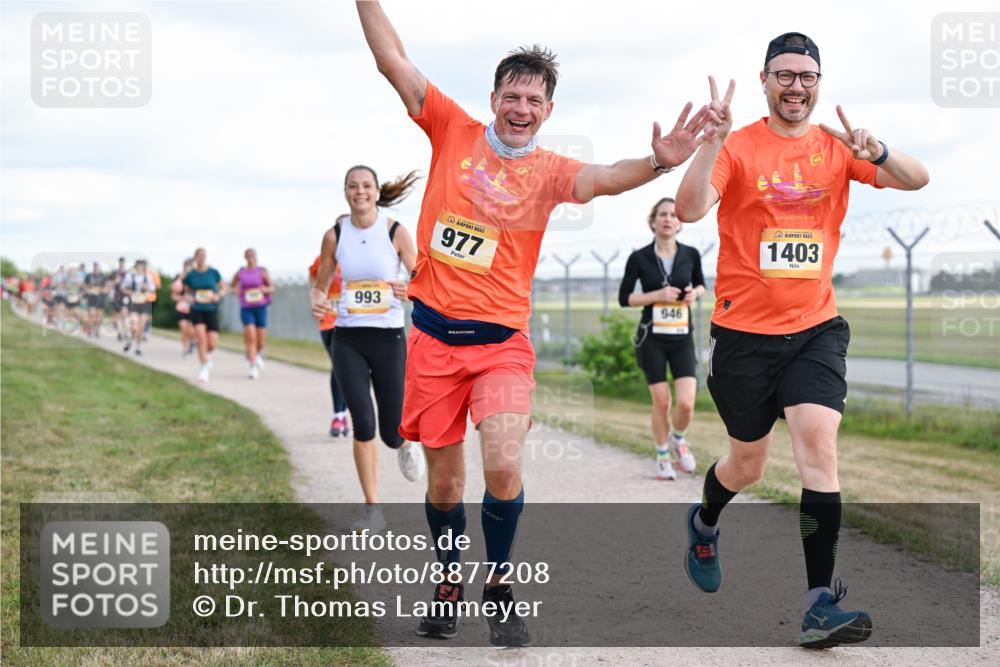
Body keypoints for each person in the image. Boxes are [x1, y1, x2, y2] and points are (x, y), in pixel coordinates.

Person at [349, 0, 719, 647]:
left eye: (535, 100)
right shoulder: (451, 128)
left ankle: (497, 580)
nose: (522, 108)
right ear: (494, 97)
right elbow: (392, 62)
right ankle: (446, 579)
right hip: (433, 340)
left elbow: (604, 178)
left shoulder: (549, 171)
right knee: (444, 482)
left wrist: (659, 162)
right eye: (513, 95)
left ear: (549, 111)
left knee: (501, 462)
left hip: (501, 348)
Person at [674, 33, 929, 648]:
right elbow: (687, 209)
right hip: (742, 337)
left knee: (820, 449)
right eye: (784, 75)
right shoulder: (737, 148)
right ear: (764, 80)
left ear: (819, 82)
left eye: (807, 75)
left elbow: (918, 180)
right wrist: (709, 145)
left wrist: (881, 150)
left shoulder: (839, 149)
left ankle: (820, 603)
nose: (796, 85)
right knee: (748, 465)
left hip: (816, 328)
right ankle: (705, 521)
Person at [312, 167, 427, 533]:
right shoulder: (335, 235)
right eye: (352, 186)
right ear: (345, 192)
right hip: (348, 338)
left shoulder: (394, 231)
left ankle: (405, 443)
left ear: (377, 192)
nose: (359, 192)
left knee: (392, 431)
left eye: (366, 186)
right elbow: (320, 285)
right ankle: (372, 508)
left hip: (389, 339)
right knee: (363, 423)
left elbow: (421, 277)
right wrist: (318, 301)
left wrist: (411, 289)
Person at [619, 196, 706, 481]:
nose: (668, 218)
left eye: (673, 214)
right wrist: (656, 295)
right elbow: (625, 298)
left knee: (686, 403)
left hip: (682, 337)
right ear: (653, 221)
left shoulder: (691, 254)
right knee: (662, 402)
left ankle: (678, 439)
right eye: (663, 214)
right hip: (652, 339)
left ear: (680, 223)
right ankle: (661, 455)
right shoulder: (639, 257)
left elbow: (702, 285)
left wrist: (695, 293)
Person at [309, 234, 350, 438]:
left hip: (354, 321)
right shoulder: (323, 259)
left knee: (351, 369)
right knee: (339, 365)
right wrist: (319, 297)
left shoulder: (360, 257)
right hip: (329, 320)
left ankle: (344, 414)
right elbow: (314, 280)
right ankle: (339, 414)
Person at [183, 248, 226, 383]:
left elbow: (223, 288)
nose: (201, 257)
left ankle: (207, 355)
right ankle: (204, 367)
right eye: (199, 255)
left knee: (212, 342)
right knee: (201, 338)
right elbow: (186, 292)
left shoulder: (213, 273)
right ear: (195, 257)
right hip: (197, 309)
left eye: (203, 255)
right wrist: (188, 297)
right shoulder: (191, 275)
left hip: (211, 308)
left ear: (206, 257)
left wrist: (218, 295)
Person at [232, 248, 273, 379]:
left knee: (260, 341)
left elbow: (272, 287)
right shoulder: (241, 272)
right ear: (244, 257)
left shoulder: (262, 271)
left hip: (260, 307)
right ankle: (253, 366)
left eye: (252, 255)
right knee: (250, 336)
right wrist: (237, 291)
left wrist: (265, 289)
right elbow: (233, 286)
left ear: (256, 257)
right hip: (246, 307)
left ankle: (257, 354)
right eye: (248, 255)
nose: (250, 257)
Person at [121, 259, 156, 356]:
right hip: (133, 303)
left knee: (141, 327)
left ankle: (138, 347)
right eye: (139, 265)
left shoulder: (147, 277)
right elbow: (123, 288)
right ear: (136, 266)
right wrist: (129, 292)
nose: (141, 267)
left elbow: (153, 289)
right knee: (135, 326)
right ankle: (130, 341)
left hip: (144, 303)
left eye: (143, 266)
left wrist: (147, 288)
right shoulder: (130, 276)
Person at [172, 258, 196, 357]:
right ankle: (185, 348)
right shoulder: (179, 279)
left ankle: (192, 342)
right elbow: (173, 295)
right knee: (183, 329)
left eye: (191, 265)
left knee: (191, 330)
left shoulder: (197, 279)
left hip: (194, 308)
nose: (189, 267)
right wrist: (183, 297)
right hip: (182, 308)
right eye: (187, 265)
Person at [83, 261, 108, 338]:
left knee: (99, 316)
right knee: (92, 314)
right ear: (93, 268)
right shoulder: (89, 276)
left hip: (100, 298)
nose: (96, 269)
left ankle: (97, 330)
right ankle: (90, 329)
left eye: (97, 267)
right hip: (91, 298)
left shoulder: (103, 277)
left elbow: (106, 287)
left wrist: (103, 290)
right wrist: (87, 290)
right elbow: (84, 285)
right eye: (95, 267)